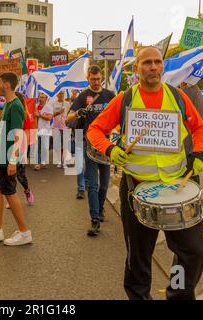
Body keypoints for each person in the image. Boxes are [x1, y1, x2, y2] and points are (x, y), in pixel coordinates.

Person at [87, 46, 203, 300]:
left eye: (158, 62)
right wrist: (110, 150)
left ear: (163, 66)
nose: (153, 67)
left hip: (177, 189)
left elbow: (199, 128)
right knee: (138, 258)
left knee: (191, 252)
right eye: (147, 63)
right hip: (136, 190)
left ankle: (177, 293)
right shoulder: (125, 99)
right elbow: (95, 130)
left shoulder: (177, 96)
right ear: (136, 68)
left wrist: (198, 154)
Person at [0, 72, 32, 246]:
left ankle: (25, 232)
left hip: (8, 156)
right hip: (1, 155)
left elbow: (18, 134)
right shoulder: (7, 104)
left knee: (10, 193)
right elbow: (0, 128)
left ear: (7, 85)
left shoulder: (16, 105)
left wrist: (13, 161)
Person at [67, 65, 115, 236]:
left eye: (97, 79)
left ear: (101, 78)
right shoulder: (82, 96)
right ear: (88, 78)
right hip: (89, 145)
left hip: (107, 147)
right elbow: (69, 118)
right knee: (93, 186)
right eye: (92, 79)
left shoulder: (109, 96)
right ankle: (94, 220)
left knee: (104, 185)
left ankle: (100, 208)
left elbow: (120, 115)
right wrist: (78, 112)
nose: (95, 82)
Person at [51, 90, 71, 168]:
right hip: (56, 126)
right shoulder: (53, 104)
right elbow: (51, 115)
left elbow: (70, 114)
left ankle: (64, 162)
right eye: (59, 93)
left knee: (65, 145)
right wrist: (59, 112)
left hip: (65, 127)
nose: (61, 95)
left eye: (62, 93)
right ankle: (59, 161)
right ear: (57, 95)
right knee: (57, 145)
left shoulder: (67, 104)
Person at [34, 93, 53, 171]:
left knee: (45, 147)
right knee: (36, 147)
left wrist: (39, 115)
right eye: (40, 97)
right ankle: (37, 163)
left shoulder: (49, 107)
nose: (41, 99)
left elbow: (49, 118)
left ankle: (43, 161)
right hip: (36, 129)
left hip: (45, 129)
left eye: (42, 97)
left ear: (46, 98)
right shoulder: (35, 106)